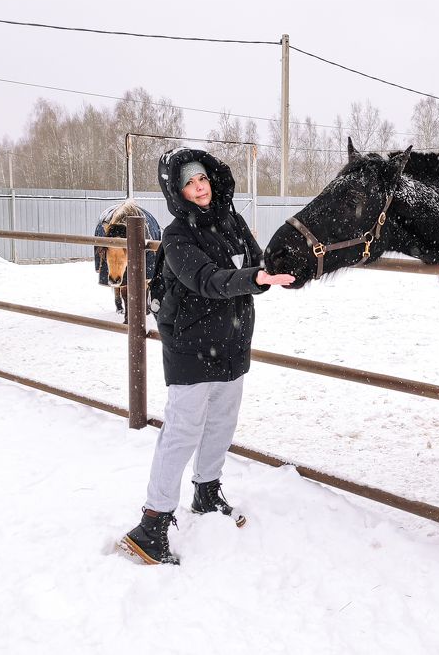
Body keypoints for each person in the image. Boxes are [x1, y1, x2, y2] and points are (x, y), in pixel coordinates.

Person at [120, 147, 294, 565]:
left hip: (232, 344)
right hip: (191, 347)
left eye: (203, 180)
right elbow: (208, 280)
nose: (199, 189)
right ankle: (152, 524)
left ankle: (206, 491)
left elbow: (257, 261)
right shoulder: (179, 236)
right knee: (182, 431)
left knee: (222, 422)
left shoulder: (232, 221)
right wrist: (256, 277)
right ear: (177, 192)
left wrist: (290, 261)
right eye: (189, 184)